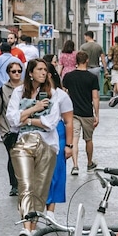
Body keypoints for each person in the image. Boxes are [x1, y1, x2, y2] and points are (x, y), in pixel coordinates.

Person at [7, 59, 62, 230]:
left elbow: (51, 122)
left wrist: (27, 118)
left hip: (47, 142)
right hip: (23, 141)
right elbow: (12, 120)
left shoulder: (54, 93)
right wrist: (35, 108)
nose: (43, 72)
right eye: (39, 69)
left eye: (45, 69)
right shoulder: (18, 92)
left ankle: (33, 226)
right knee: (25, 185)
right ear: (30, 73)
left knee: (40, 188)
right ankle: (25, 226)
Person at [40, 60, 76, 210]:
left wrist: (69, 145)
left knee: (55, 173)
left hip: (58, 133)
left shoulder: (61, 95)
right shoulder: (31, 93)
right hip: (37, 134)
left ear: (48, 75)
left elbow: (69, 122)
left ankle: (51, 210)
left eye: (42, 71)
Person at [0, 58, 27, 196]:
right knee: (13, 156)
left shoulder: (27, 88)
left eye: (19, 71)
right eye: (13, 71)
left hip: (25, 128)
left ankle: (25, 182)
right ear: (8, 73)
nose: (16, 73)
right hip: (8, 130)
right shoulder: (2, 90)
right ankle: (14, 185)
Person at [63, 52, 103, 174]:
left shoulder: (68, 76)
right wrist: (97, 114)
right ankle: (89, 163)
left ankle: (75, 166)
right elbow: (95, 97)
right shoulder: (92, 78)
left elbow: (64, 93)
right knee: (88, 139)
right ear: (86, 60)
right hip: (87, 112)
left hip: (73, 112)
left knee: (74, 139)